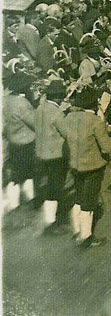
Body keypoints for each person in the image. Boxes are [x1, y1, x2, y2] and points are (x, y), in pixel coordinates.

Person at [55, 86, 111, 248]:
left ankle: (76, 230)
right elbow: (106, 147)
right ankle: (86, 237)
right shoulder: (94, 121)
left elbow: (64, 133)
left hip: (75, 165)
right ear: (94, 104)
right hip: (93, 167)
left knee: (79, 198)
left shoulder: (69, 118)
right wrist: (110, 134)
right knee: (89, 202)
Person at [35, 79, 69, 233]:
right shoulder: (56, 112)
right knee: (56, 188)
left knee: (49, 186)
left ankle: (48, 219)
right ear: (58, 96)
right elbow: (66, 132)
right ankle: (52, 223)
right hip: (56, 155)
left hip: (41, 153)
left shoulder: (40, 108)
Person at [3, 71, 37, 214]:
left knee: (16, 173)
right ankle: (30, 198)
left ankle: (13, 202)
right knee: (28, 172)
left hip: (13, 141)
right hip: (26, 142)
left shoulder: (6, 100)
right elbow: (34, 122)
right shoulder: (22, 103)